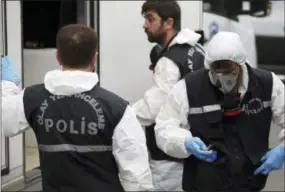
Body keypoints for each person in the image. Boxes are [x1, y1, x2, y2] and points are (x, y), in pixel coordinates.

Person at [1, 24, 153, 192]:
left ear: (58, 57)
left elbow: (6, 122)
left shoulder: (31, 98)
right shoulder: (117, 108)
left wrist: (7, 84)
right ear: (94, 59)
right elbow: (137, 178)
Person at [154, 31, 285, 192]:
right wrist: (184, 142)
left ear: (240, 63)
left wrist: (283, 148)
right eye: (217, 68)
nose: (222, 75)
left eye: (228, 68)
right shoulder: (189, 88)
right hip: (203, 184)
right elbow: (164, 127)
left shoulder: (267, 84)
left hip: (249, 184)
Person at [132, 0, 205, 190]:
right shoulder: (197, 49)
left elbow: (152, 109)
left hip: (171, 157)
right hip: (199, 144)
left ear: (169, 22)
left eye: (150, 19)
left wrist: (123, 115)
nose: (145, 25)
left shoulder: (169, 61)